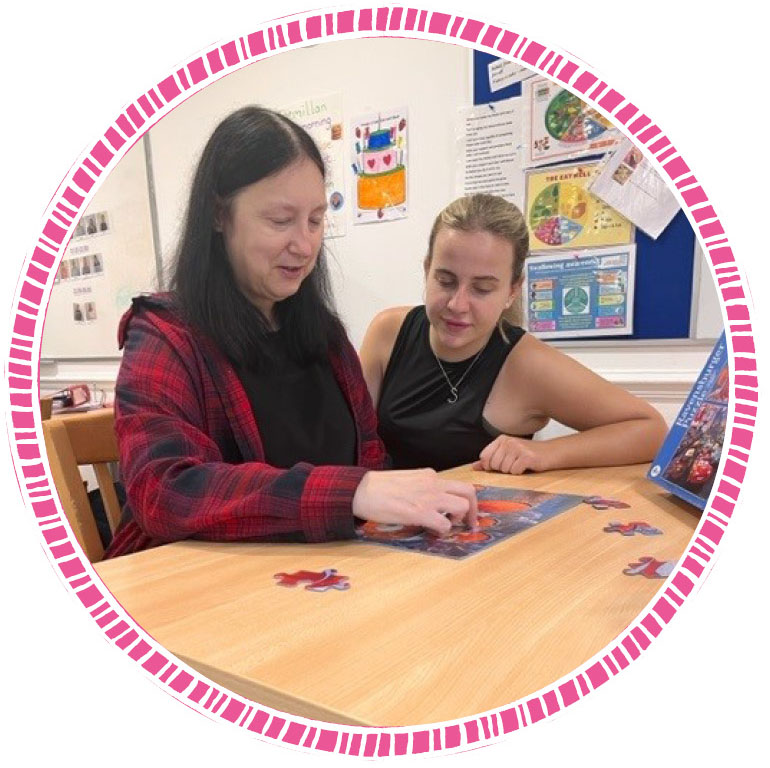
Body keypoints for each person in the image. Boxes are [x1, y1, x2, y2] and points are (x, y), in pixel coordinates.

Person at [104, 106, 477, 559]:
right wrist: (351, 492)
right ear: (219, 215)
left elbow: (370, 454)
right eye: (281, 221)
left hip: (325, 577)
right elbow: (164, 490)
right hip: (200, 590)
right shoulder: (167, 335)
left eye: (316, 220)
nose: (304, 245)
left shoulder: (325, 335)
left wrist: (398, 502)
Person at [360, 194, 667, 474]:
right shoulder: (388, 330)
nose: (457, 304)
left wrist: (544, 453)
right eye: (445, 280)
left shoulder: (526, 363)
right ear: (427, 270)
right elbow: (351, 438)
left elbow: (650, 429)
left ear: (512, 290)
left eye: (482, 289)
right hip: (375, 520)